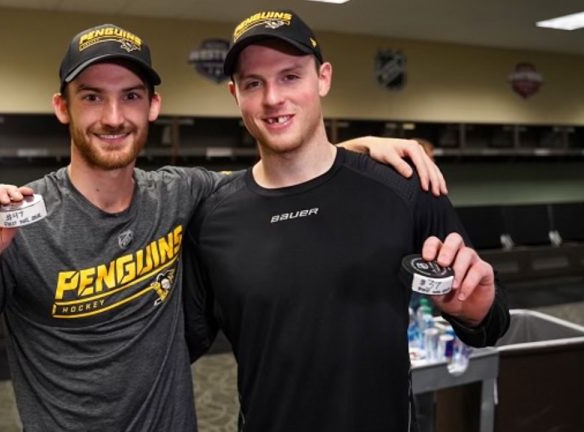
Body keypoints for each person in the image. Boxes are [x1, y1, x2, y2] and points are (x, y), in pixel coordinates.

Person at [0, 23, 448, 431]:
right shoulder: (19, 221)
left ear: (154, 105)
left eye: (130, 96)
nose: (113, 117)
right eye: (92, 97)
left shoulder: (183, 193)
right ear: (62, 107)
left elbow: (277, 170)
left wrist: (356, 150)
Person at [184, 10, 510, 432]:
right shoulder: (213, 217)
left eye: (290, 76)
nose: (272, 98)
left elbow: (490, 320)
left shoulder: (405, 188)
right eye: (253, 83)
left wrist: (475, 312)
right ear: (235, 94)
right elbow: (179, 345)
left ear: (323, 78)